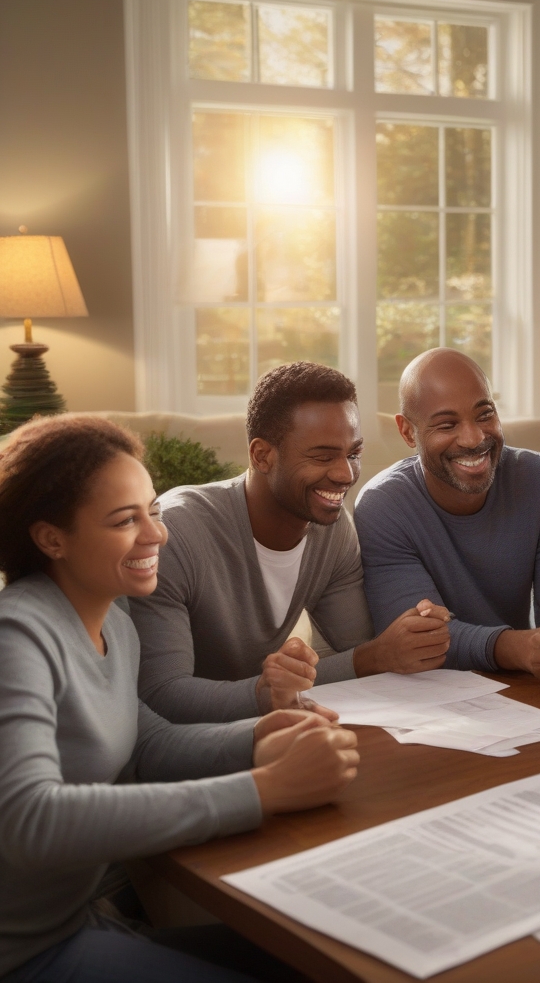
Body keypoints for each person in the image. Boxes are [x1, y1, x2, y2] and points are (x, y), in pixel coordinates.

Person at [0, 414, 360, 982]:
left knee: (335, 957)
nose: (156, 535)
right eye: (125, 521)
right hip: (25, 954)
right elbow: (29, 820)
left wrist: (259, 733)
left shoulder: (112, 622)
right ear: (51, 538)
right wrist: (261, 789)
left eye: (154, 511)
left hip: (78, 922)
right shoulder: (17, 636)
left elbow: (147, 743)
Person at [132, 362, 451, 724]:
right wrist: (369, 659)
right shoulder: (176, 533)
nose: (346, 474)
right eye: (323, 456)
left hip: (268, 731)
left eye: (353, 453)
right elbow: (161, 695)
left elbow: (361, 650)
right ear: (261, 455)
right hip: (183, 751)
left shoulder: (331, 530)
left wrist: (409, 636)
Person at [353, 348, 540, 678]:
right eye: (447, 424)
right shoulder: (383, 506)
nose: (473, 438)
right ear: (407, 431)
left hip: (521, 686)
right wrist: (515, 647)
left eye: (485, 415)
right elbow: (419, 642)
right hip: (426, 697)